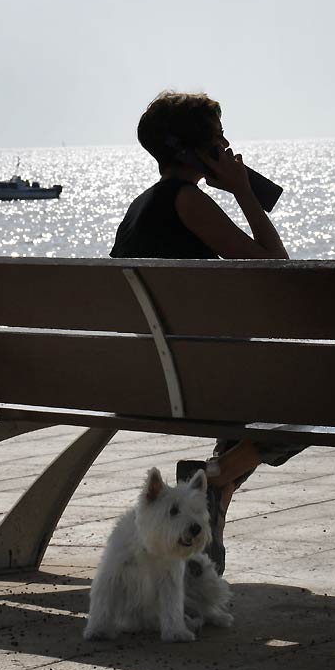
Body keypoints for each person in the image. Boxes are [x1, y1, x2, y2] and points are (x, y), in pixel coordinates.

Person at [110, 90, 303, 573]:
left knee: (252, 391)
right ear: (196, 150)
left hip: (151, 373)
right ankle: (217, 474)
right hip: (198, 376)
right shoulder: (186, 201)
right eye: (218, 138)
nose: (227, 146)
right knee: (328, 394)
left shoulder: (140, 207)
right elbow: (276, 267)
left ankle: (213, 517)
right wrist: (241, 191)